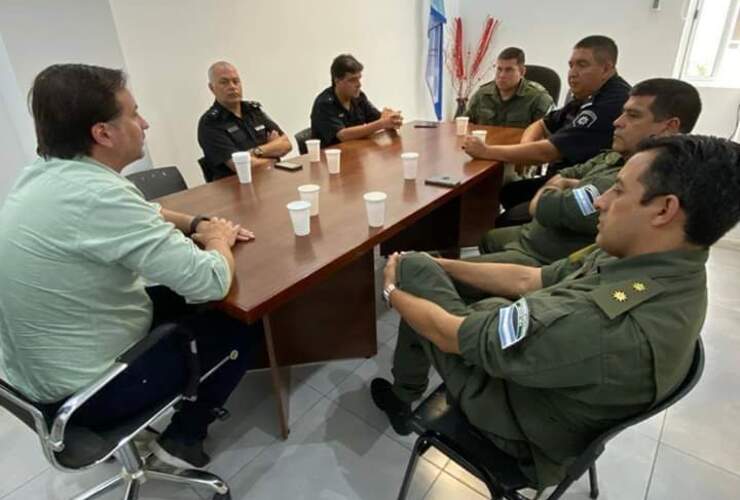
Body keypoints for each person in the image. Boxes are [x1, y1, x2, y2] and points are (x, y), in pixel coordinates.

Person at [371, 134, 740, 489]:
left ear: (664, 209)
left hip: (517, 429)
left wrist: (392, 289)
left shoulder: (603, 324)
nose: (601, 201)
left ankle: (404, 397)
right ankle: (411, 370)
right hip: (556, 398)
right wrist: (443, 265)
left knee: (413, 274)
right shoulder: (656, 261)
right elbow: (531, 279)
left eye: (619, 190)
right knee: (430, 270)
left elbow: (452, 335)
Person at [0, 63, 260, 469]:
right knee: (239, 321)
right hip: (86, 396)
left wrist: (196, 222)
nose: (145, 123)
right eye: (134, 114)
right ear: (102, 133)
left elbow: (142, 208)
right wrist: (218, 239)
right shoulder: (97, 194)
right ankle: (184, 439)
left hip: (31, 383)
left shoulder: (44, 173)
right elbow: (209, 280)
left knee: (181, 299)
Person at [474, 78, 702, 267]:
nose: (617, 122)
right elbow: (567, 172)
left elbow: (544, 207)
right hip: (539, 238)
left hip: (548, 261)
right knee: (488, 237)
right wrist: (562, 183)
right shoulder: (618, 155)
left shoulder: (638, 179)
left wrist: (562, 185)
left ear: (670, 127)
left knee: (445, 278)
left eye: (633, 116)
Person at [464, 35, 630, 227]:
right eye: (571, 65)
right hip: (561, 174)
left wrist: (486, 151)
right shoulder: (589, 94)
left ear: (606, 68)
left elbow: (548, 151)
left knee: (505, 218)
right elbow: (542, 124)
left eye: (582, 65)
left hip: (583, 185)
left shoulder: (610, 103)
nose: (572, 73)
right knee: (509, 192)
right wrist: (525, 148)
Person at [198, 61, 292, 182]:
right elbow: (242, 167)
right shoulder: (210, 123)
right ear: (212, 88)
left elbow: (286, 144)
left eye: (236, 81)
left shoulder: (253, 111)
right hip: (234, 190)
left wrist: (257, 152)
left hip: (268, 180)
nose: (232, 86)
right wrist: (273, 157)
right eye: (224, 82)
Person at [310, 54, 402, 147]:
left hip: (356, 152)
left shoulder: (358, 97)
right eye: (352, 80)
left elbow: (377, 118)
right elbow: (342, 135)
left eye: (359, 78)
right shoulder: (324, 103)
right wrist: (382, 123)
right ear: (337, 81)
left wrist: (392, 119)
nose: (359, 84)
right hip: (331, 157)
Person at [465, 47, 553, 128]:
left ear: (522, 72)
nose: (502, 75)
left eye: (509, 70)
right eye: (499, 69)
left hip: (520, 144)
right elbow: (463, 125)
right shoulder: (482, 94)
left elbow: (548, 136)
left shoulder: (538, 98)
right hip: (486, 143)